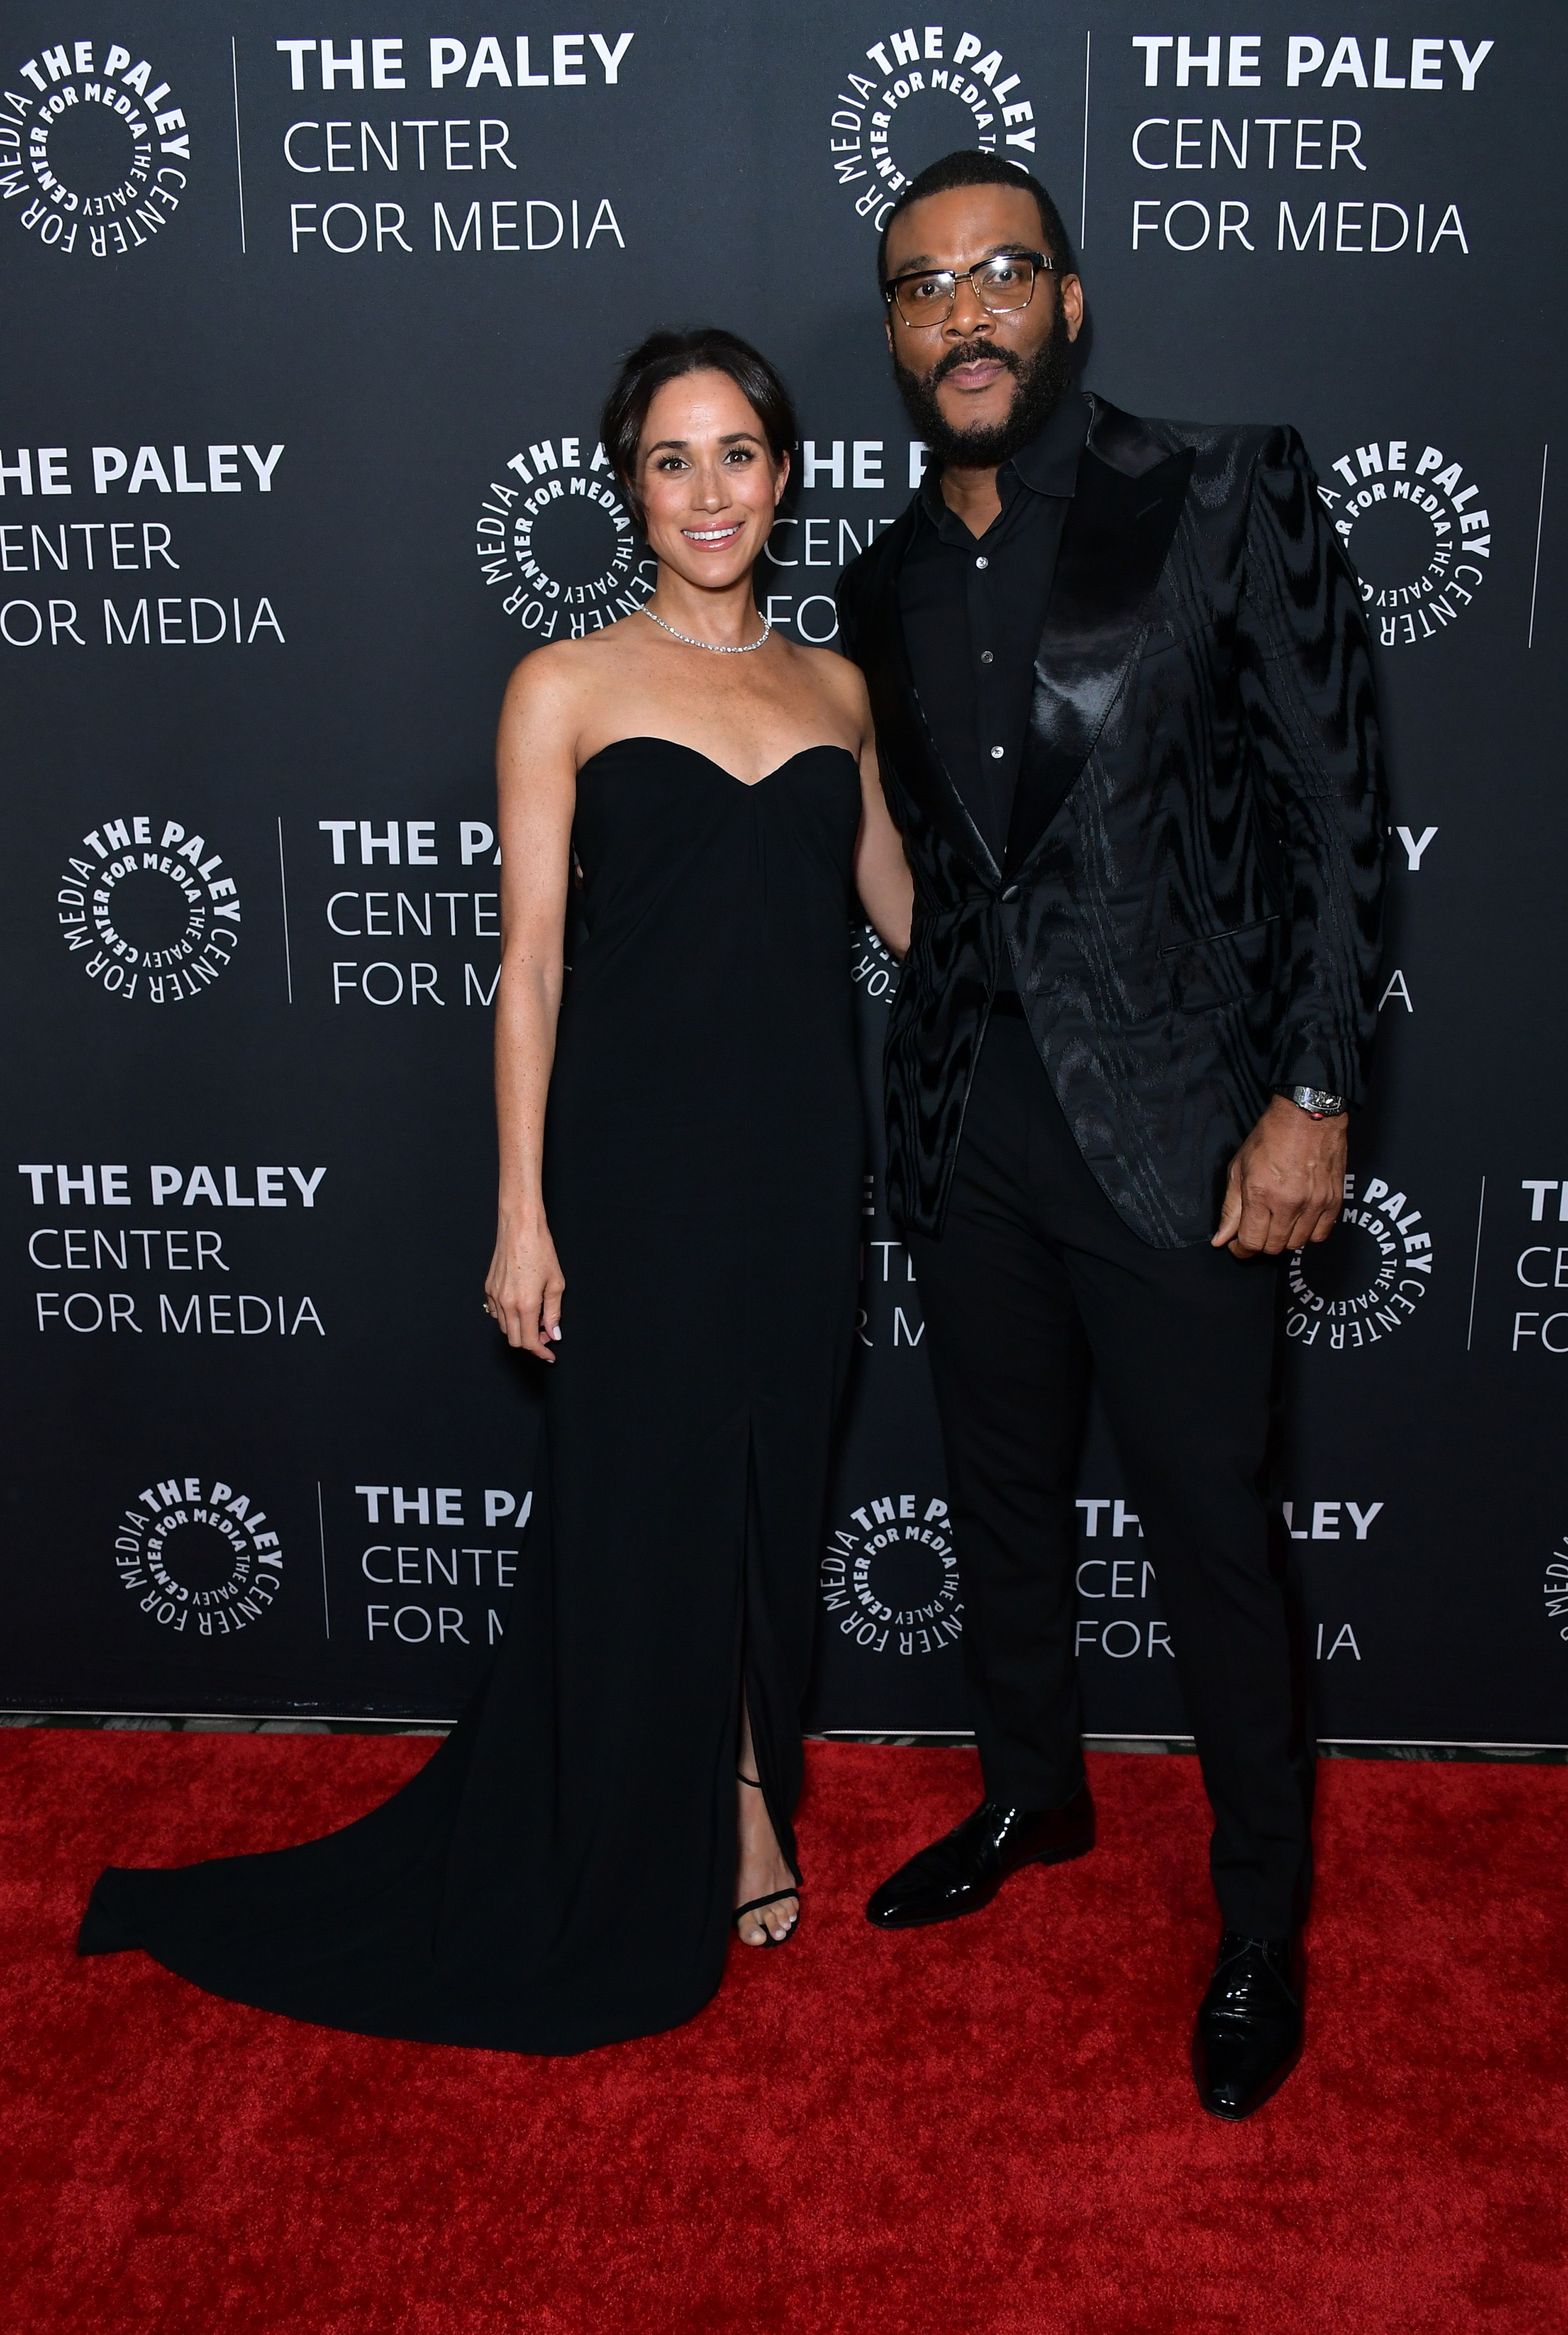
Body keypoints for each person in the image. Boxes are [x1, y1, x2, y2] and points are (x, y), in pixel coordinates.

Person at [78, 328, 913, 2053]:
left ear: (784, 471)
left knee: (774, 1486)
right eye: (672, 459)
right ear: (628, 483)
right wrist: (524, 1211)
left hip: (809, 1154)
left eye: (738, 453)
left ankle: (751, 1774)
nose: (708, 491)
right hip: (635, 1161)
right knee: (648, 1494)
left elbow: (913, 917)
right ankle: (686, 1812)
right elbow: (529, 972)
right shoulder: (568, 683)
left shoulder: (838, 689)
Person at [834, 150, 1386, 2121]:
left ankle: (1258, 1920)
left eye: (1001, 276)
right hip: (972, 1127)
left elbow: (1335, 822)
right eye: (923, 289)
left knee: (1218, 1541)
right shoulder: (878, 578)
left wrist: (1310, 1096)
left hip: (1182, 1127)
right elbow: (931, 868)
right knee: (997, 1505)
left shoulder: (1229, 487)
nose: (963, 313)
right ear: (895, 334)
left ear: (1069, 305)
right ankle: (1034, 1795)